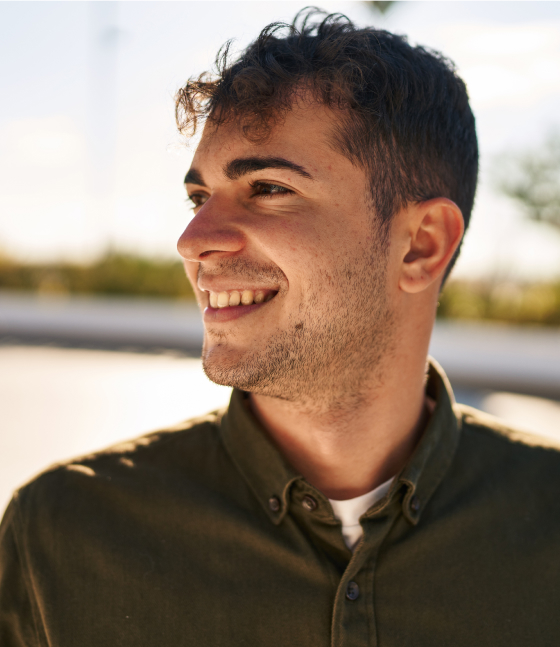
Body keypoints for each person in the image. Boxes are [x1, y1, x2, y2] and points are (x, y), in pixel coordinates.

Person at [1, 9, 559, 646]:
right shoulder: (62, 536)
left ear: (421, 246)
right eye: (197, 197)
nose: (192, 241)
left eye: (267, 187)